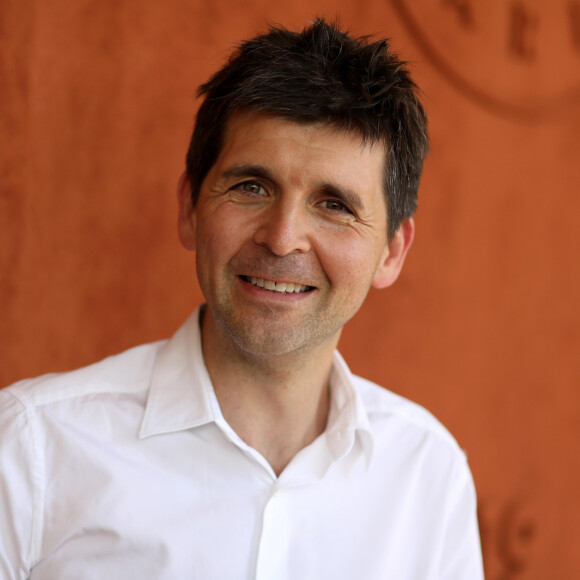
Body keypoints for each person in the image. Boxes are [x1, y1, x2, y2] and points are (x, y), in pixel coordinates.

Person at [0, 18, 484, 579]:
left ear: (392, 252)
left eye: (334, 205)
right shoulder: (31, 449)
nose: (281, 238)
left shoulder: (428, 473)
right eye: (251, 187)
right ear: (190, 208)